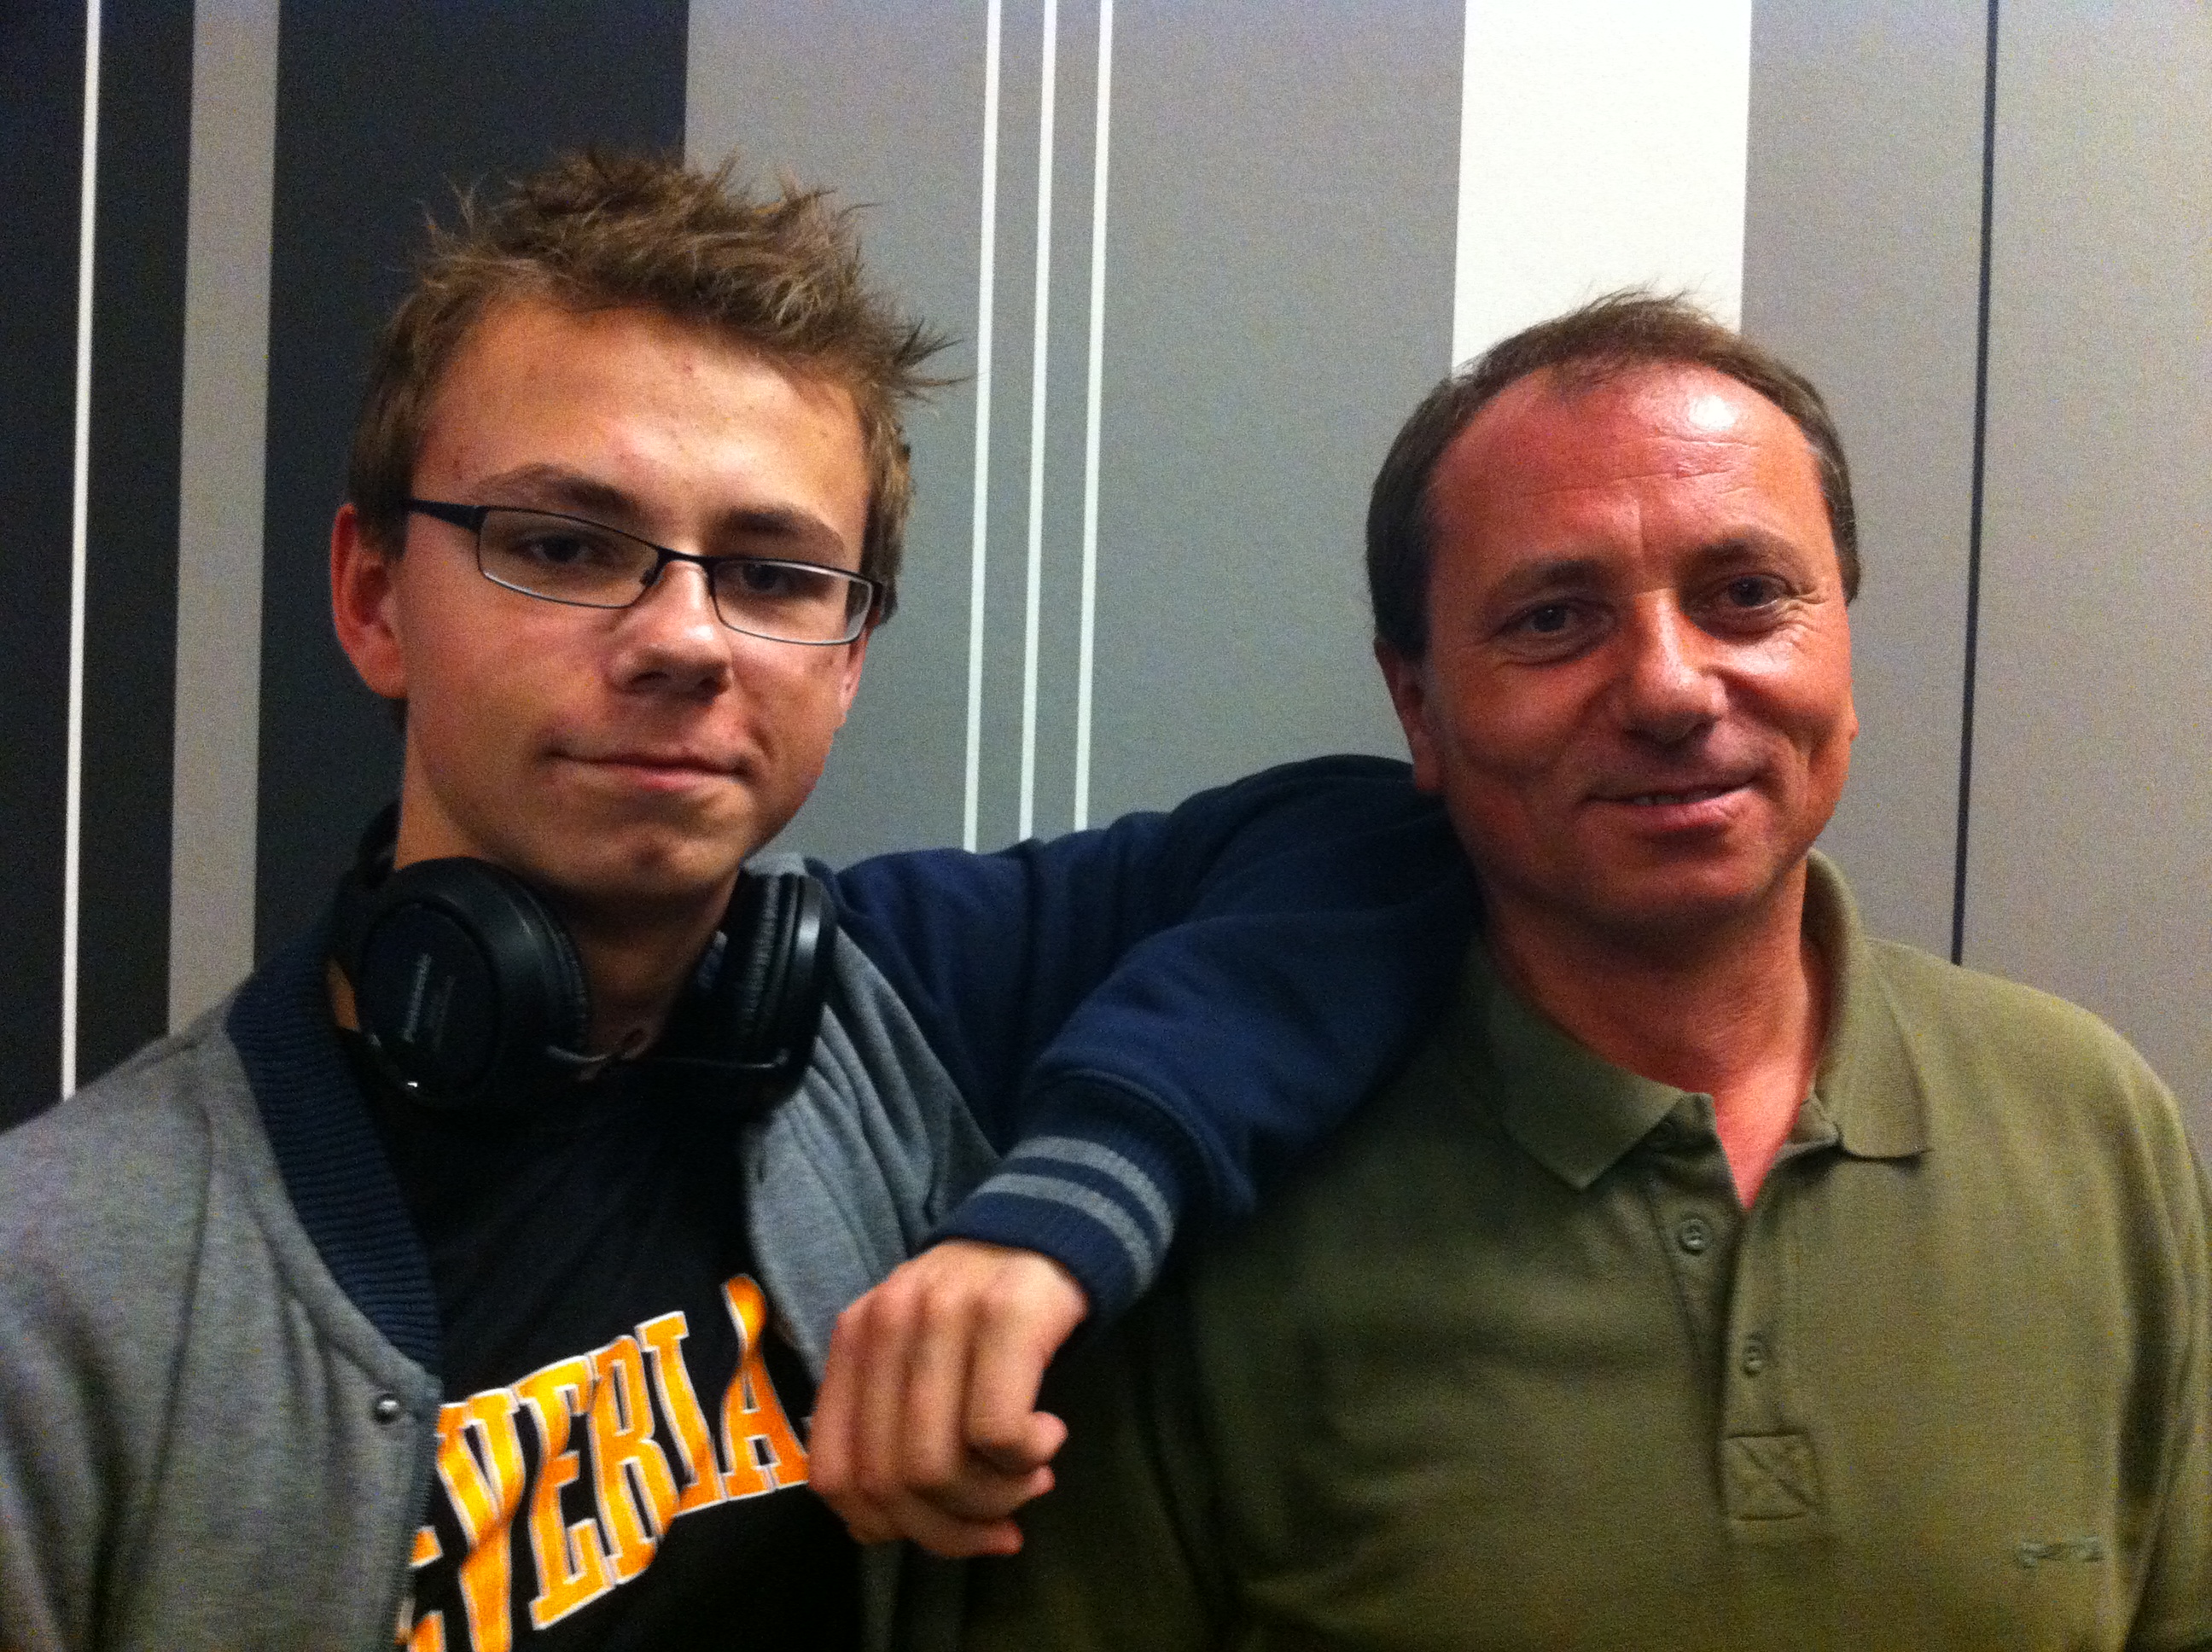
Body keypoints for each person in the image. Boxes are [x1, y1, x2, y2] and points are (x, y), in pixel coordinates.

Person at [0, 152, 1476, 1652]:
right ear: (375, 598)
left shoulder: (904, 1006)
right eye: (565, 547)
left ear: (848, 660)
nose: (687, 640)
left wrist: (1057, 1218)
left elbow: (1377, 842)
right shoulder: (59, 1286)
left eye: (772, 576)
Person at [960, 294, 2212, 1649]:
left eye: (1748, 596)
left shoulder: (2086, 1120)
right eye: (1556, 620)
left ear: (1844, 648)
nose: (1672, 688)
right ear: (1419, 708)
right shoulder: (1228, 1193)